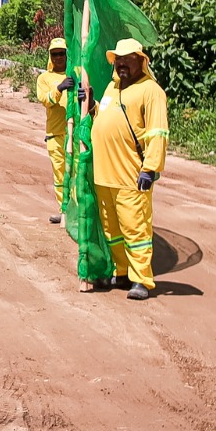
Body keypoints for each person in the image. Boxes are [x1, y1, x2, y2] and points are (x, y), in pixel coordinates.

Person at [83, 37, 168, 300]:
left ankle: (141, 279)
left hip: (131, 176)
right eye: (118, 60)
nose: (122, 64)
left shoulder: (151, 91)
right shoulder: (112, 88)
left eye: (128, 60)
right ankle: (122, 272)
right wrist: (91, 104)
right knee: (113, 231)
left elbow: (157, 133)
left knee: (135, 229)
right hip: (104, 175)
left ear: (141, 62)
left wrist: (150, 168)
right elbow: (105, 119)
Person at [35, 37, 73, 224]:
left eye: (62, 53)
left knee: (77, 173)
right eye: (54, 54)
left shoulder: (76, 73)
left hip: (75, 133)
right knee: (60, 175)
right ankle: (64, 211)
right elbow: (45, 100)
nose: (58, 57)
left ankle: (79, 212)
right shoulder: (44, 79)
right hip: (55, 134)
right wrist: (59, 88)